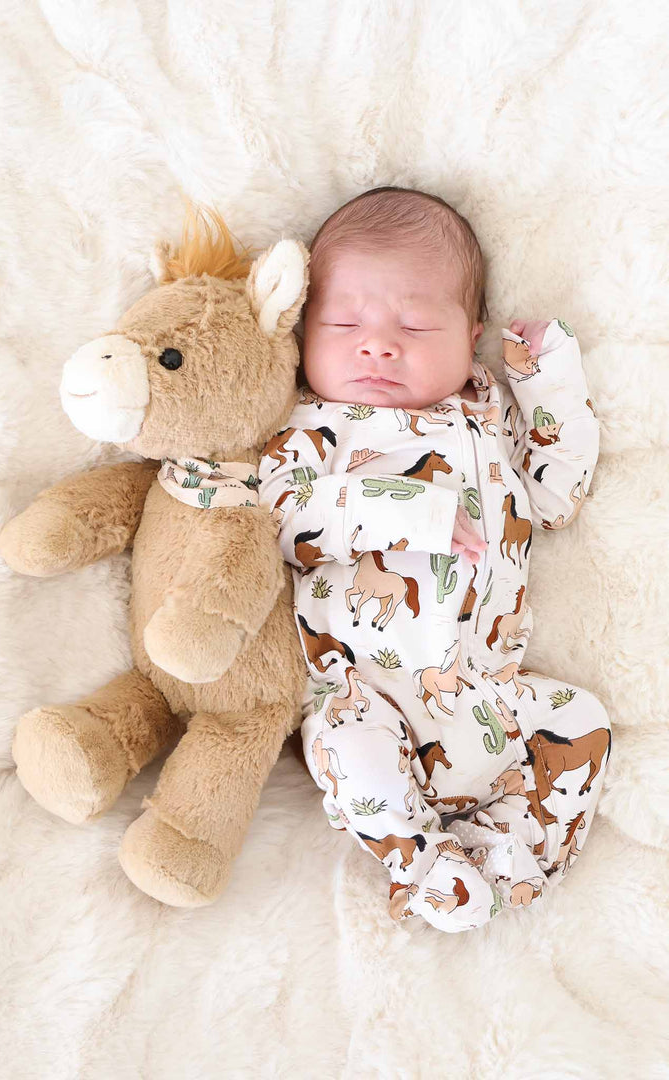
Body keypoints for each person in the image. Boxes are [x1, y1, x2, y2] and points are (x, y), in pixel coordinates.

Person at [257, 186, 612, 932]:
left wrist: (549, 386)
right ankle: (419, 863)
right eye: (344, 321)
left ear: (470, 334)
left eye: (415, 323)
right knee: (345, 748)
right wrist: (410, 510)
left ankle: (511, 855)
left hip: (489, 694)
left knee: (581, 720)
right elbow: (281, 516)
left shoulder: (485, 417)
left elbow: (558, 496)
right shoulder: (312, 430)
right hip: (369, 695)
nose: (378, 343)